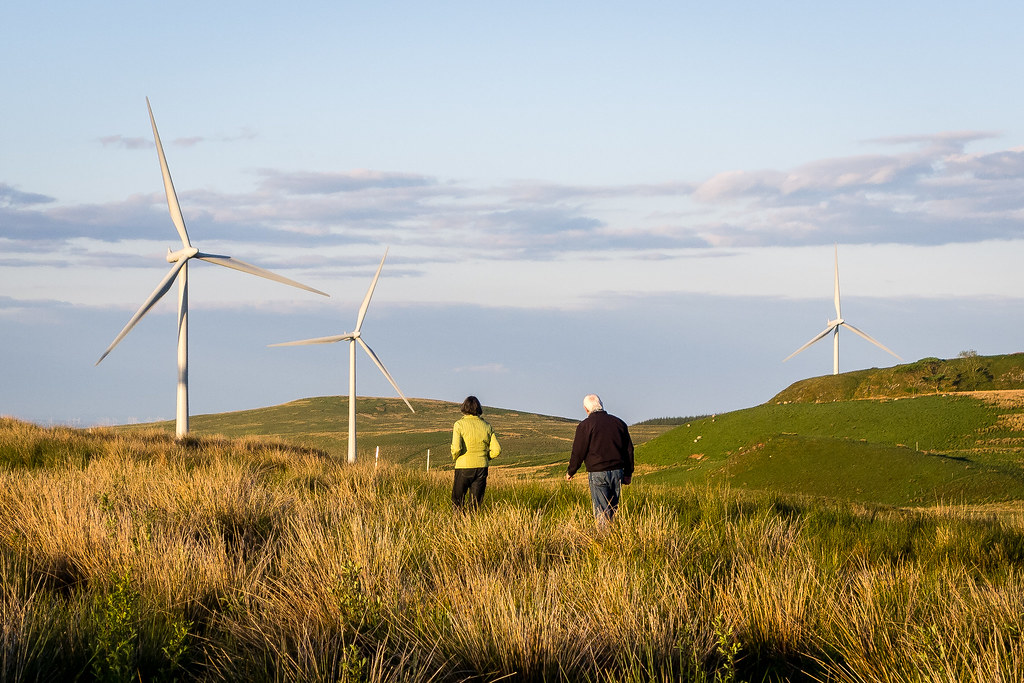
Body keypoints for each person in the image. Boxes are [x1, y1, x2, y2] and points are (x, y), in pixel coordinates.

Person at [565, 394, 634, 523]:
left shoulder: (585, 426)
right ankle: (612, 538)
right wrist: (628, 473)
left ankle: (603, 540)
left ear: (586, 409)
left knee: (602, 511)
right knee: (613, 509)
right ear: (601, 404)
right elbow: (629, 450)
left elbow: (578, 452)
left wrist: (571, 471)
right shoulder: (619, 423)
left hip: (597, 473)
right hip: (617, 472)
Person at [450, 395, 501, 510]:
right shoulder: (487, 426)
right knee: (475, 504)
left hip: (463, 466)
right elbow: (497, 450)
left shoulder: (459, 424)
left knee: (458, 502)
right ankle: (472, 525)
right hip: (481, 467)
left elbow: (457, 448)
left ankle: (458, 525)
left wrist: (455, 457)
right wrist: (485, 457)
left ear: (464, 407)